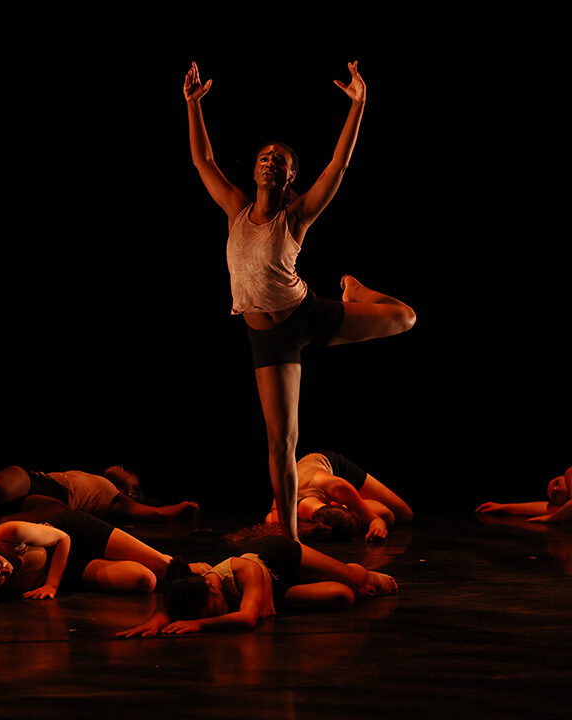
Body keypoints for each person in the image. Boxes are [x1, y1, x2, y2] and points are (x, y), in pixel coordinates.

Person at [183, 60, 416, 541]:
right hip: (269, 341)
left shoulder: (297, 215)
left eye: (281, 159)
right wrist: (193, 106)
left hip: (308, 314)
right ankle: (288, 539)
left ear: (290, 177)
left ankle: (356, 291)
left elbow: (339, 166)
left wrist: (359, 105)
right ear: (254, 169)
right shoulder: (234, 208)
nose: (271, 159)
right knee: (281, 441)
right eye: (265, 155)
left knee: (406, 318)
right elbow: (203, 160)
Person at [116, 535, 397, 637]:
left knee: (356, 582)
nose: (216, 615)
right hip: (275, 590)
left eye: (215, 610)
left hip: (281, 557)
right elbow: (178, 605)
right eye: (209, 616)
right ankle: (354, 584)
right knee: (343, 597)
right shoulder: (195, 588)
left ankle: (368, 576)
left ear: (215, 590)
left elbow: (248, 618)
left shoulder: (243, 571)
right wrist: (155, 622)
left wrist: (201, 626)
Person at [0, 509, 174, 613]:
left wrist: (52, 585)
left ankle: (197, 575)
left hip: (74, 534)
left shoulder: (6, 535)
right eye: (0, 577)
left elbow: (63, 538)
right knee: (146, 580)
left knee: (163, 565)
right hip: (69, 570)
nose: (6, 569)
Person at [0, 464, 198, 529]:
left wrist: (182, 506)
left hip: (55, 502)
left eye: (130, 471)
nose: (125, 467)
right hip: (38, 481)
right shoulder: (96, 478)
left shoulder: (121, 499)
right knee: (3, 483)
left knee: (53, 516)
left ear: (132, 489)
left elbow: (157, 514)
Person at [265, 451, 413, 541]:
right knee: (386, 516)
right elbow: (270, 522)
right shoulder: (282, 511)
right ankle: (352, 505)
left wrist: (376, 521)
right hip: (321, 494)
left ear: (331, 504)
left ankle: (352, 504)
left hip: (331, 465)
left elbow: (383, 516)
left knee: (405, 515)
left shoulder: (336, 486)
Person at [475, 465, 572, 524]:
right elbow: (545, 508)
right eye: (554, 497)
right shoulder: (564, 510)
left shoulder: (569, 472)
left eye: (557, 482)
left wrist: (550, 518)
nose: (556, 489)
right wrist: (504, 507)